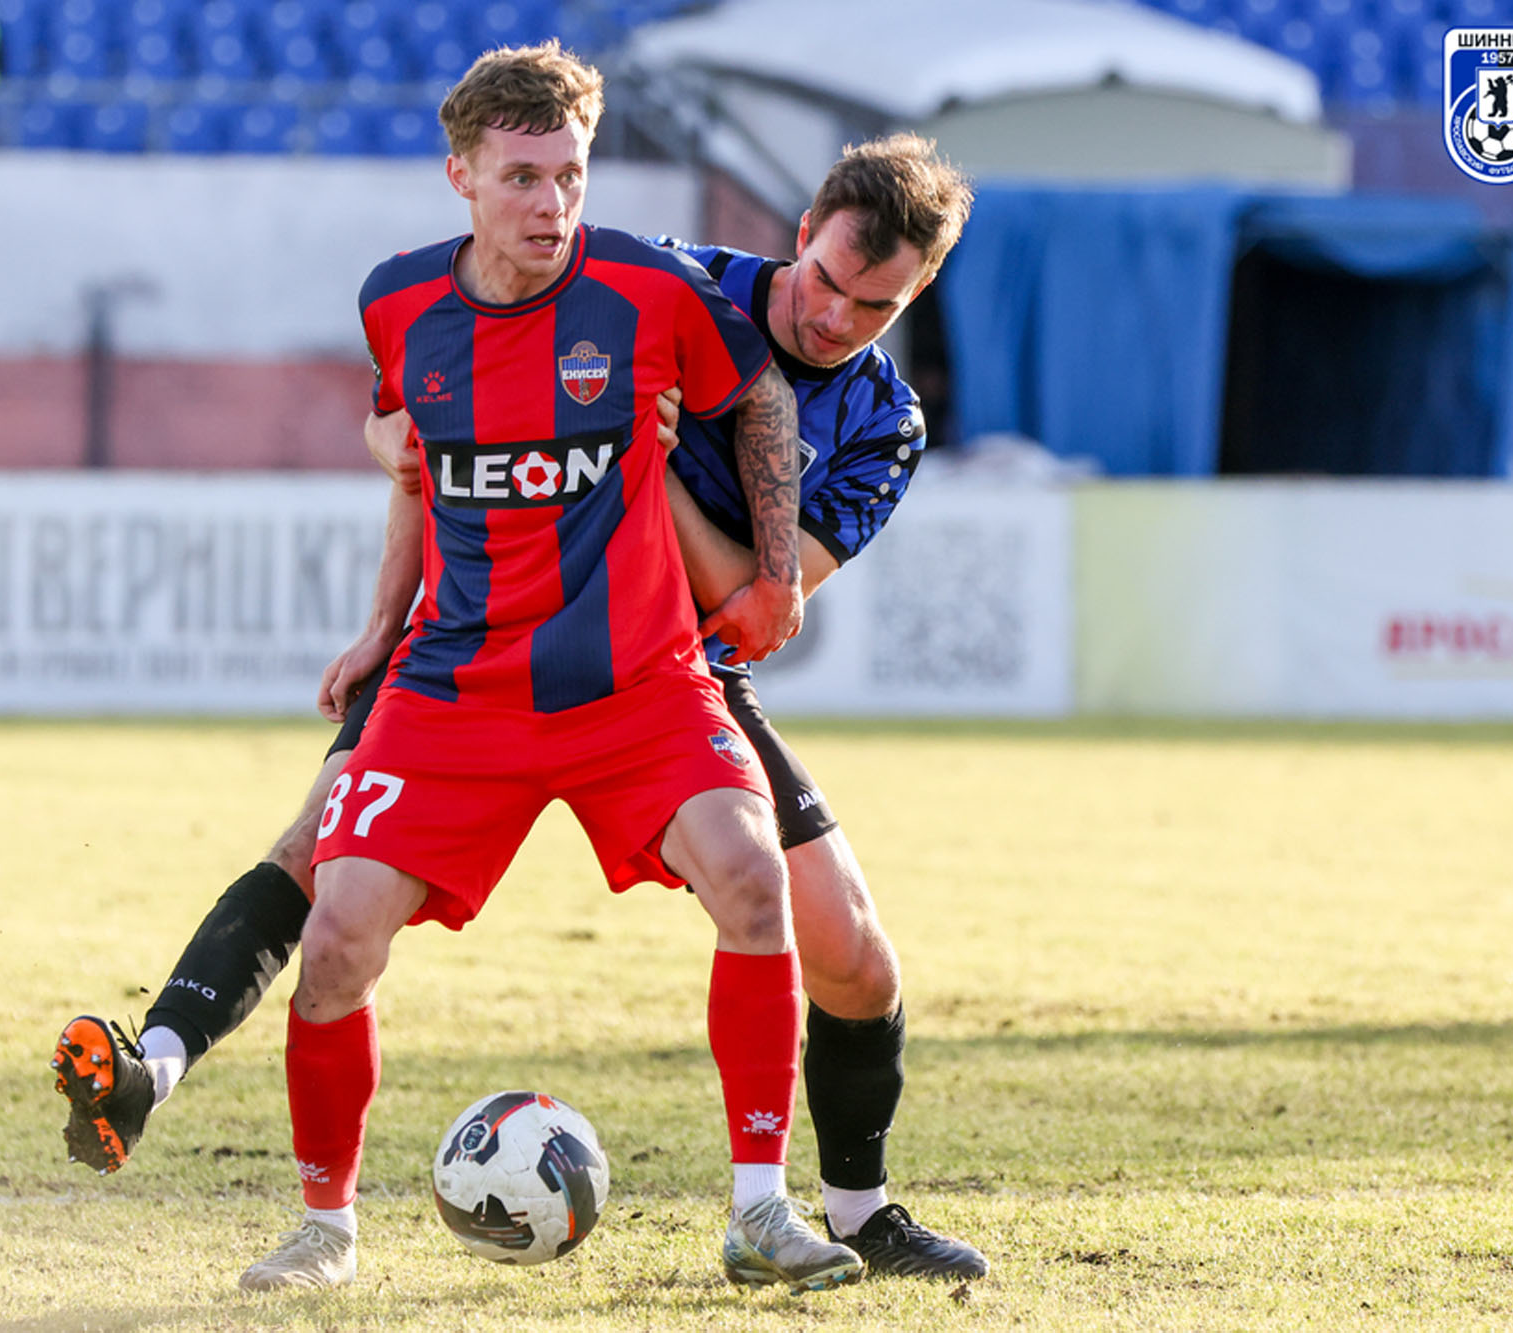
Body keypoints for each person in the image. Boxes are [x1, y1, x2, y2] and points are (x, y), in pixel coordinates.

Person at [53, 133, 990, 1287]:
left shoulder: (883, 423)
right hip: (480, 638)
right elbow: (437, 413)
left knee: (849, 953)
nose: (837, 318)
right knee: (316, 858)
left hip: (665, 663)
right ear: (800, 233)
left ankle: (857, 1212)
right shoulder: (668, 284)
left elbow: (753, 600)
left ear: (917, 294)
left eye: (875, 306)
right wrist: (384, 514)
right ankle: (155, 1066)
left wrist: (648, 475)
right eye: (827, 281)